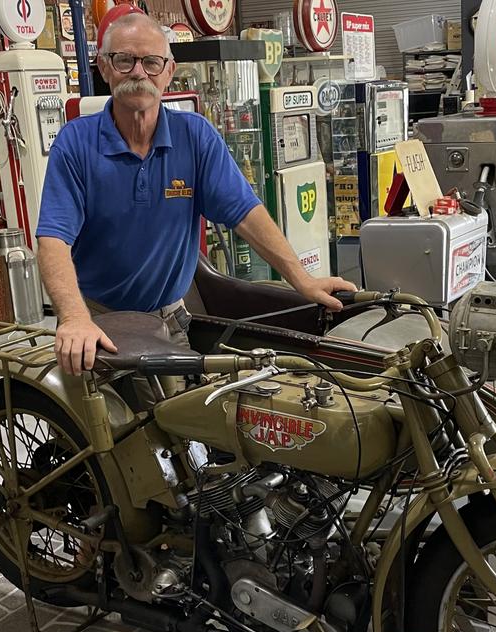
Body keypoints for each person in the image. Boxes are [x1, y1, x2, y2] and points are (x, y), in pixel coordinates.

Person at [35, 13, 355, 377]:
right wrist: (74, 318)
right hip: (100, 323)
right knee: (114, 429)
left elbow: (245, 213)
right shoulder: (76, 143)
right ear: (104, 67)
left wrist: (303, 280)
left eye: (152, 62)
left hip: (171, 318)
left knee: (190, 419)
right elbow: (53, 240)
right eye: (125, 60)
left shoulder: (195, 136)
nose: (139, 72)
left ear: (169, 71)